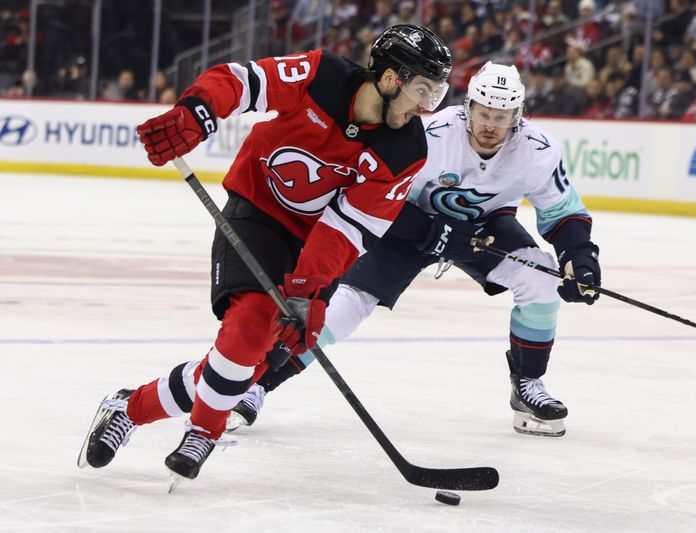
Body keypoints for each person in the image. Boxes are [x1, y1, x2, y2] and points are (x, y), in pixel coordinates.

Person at [77, 25, 452, 482]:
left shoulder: (408, 148)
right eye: (422, 90)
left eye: (437, 93)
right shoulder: (321, 75)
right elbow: (239, 81)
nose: (427, 106)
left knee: (252, 360)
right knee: (252, 325)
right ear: (392, 79)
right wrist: (197, 112)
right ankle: (205, 432)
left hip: (314, 243)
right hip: (257, 213)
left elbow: (351, 226)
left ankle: (129, 407)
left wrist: (308, 287)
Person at [228, 62, 602, 438]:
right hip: (403, 226)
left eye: (502, 117)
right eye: (484, 114)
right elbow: (378, 195)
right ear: (468, 107)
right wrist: (429, 230)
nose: (491, 125)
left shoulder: (538, 150)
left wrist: (579, 257)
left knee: (541, 278)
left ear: (517, 116)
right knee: (344, 307)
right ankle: (259, 383)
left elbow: (562, 211)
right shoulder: (431, 134)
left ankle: (529, 387)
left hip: (482, 230)